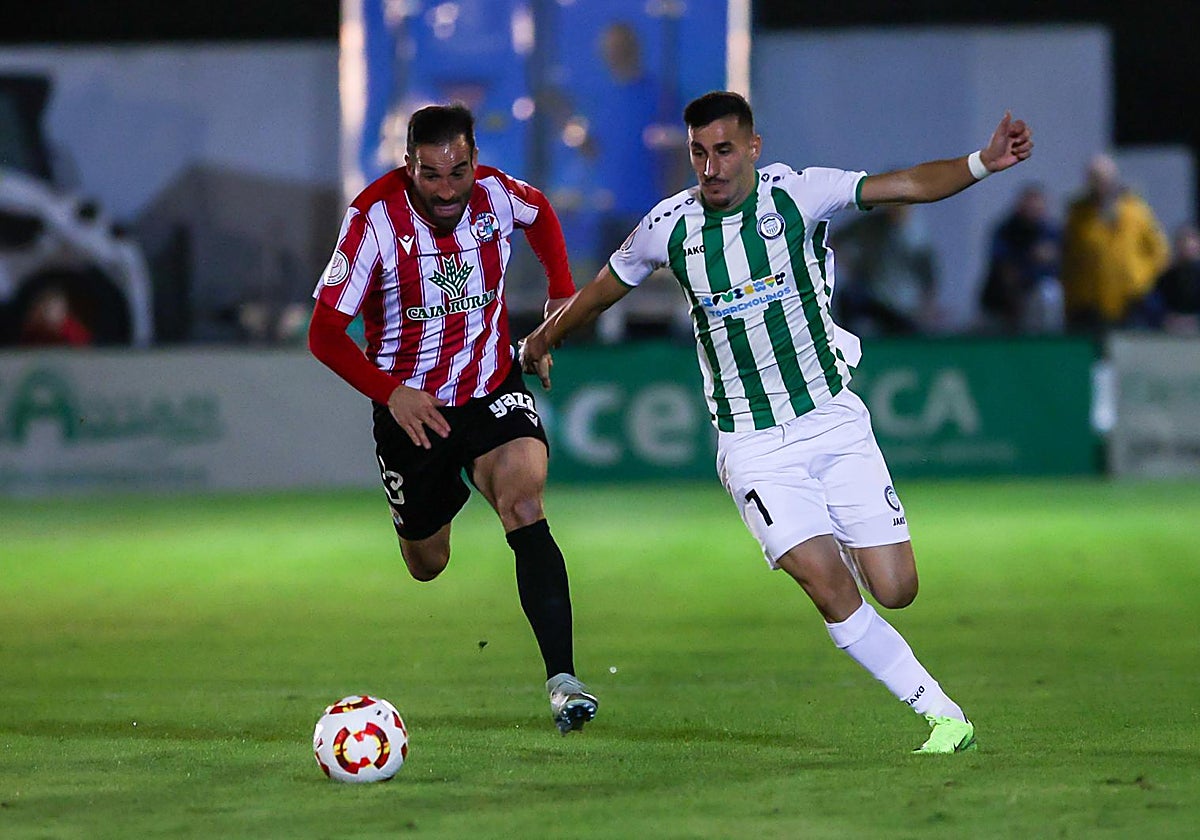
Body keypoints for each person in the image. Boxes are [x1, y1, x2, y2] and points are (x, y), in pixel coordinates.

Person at [520, 91, 1033, 754]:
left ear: (753, 148)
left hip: (830, 419)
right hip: (753, 445)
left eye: (724, 150)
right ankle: (943, 716)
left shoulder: (798, 194)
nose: (711, 166)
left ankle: (850, 535)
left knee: (897, 588)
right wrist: (542, 338)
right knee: (827, 587)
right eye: (699, 152)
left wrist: (982, 163)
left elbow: (904, 184)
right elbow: (598, 293)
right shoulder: (667, 226)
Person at [307, 103, 598, 734]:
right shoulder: (372, 222)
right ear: (408, 165)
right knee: (427, 562)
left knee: (524, 501)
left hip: (491, 388)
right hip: (414, 414)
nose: (447, 190)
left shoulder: (495, 194)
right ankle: (442, 493)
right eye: (431, 175)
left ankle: (564, 682)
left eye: (458, 171)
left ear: (473, 160)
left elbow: (542, 212)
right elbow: (325, 334)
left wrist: (558, 293)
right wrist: (391, 393)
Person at [1060, 153, 1169, 331]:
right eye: (1094, 178)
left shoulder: (1136, 210)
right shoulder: (1078, 214)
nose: (1100, 184)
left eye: (1104, 178)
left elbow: (1159, 251)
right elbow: (1069, 256)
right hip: (1089, 301)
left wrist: (1140, 278)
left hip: (1131, 300)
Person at [832, 202, 939, 336]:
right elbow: (836, 238)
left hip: (904, 303)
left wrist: (928, 304)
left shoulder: (916, 233)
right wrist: (850, 265)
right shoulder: (872, 224)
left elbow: (926, 270)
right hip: (874, 297)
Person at [979, 183, 1063, 333]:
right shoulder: (1006, 231)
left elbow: (1060, 266)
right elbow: (1005, 270)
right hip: (1002, 300)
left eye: (1037, 209)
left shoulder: (1051, 232)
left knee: (1050, 292)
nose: (1032, 213)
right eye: (1029, 208)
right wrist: (1030, 257)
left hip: (1035, 298)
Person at [1146, 222, 1200, 335]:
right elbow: (1154, 304)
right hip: (1170, 335)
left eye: (1191, 241)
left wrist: (1194, 319)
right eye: (1182, 241)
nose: (1186, 246)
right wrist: (1166, 317)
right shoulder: (1166, 277)